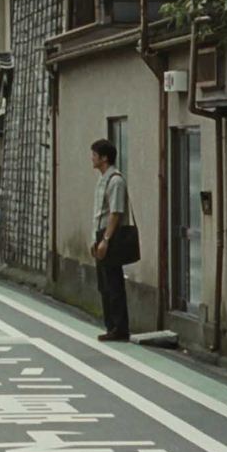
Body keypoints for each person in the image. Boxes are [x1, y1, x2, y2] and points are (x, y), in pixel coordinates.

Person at [90, 138, 130, 342]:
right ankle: (111, 325)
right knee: (104, 285)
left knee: (113, 284)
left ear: (104, 158)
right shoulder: (103, 179)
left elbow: (115, 213)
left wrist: (105, 239)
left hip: (111, 237)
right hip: (101, 236)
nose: (92, 159)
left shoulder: (115, 180)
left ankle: (119, 327)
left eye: (95, 155)